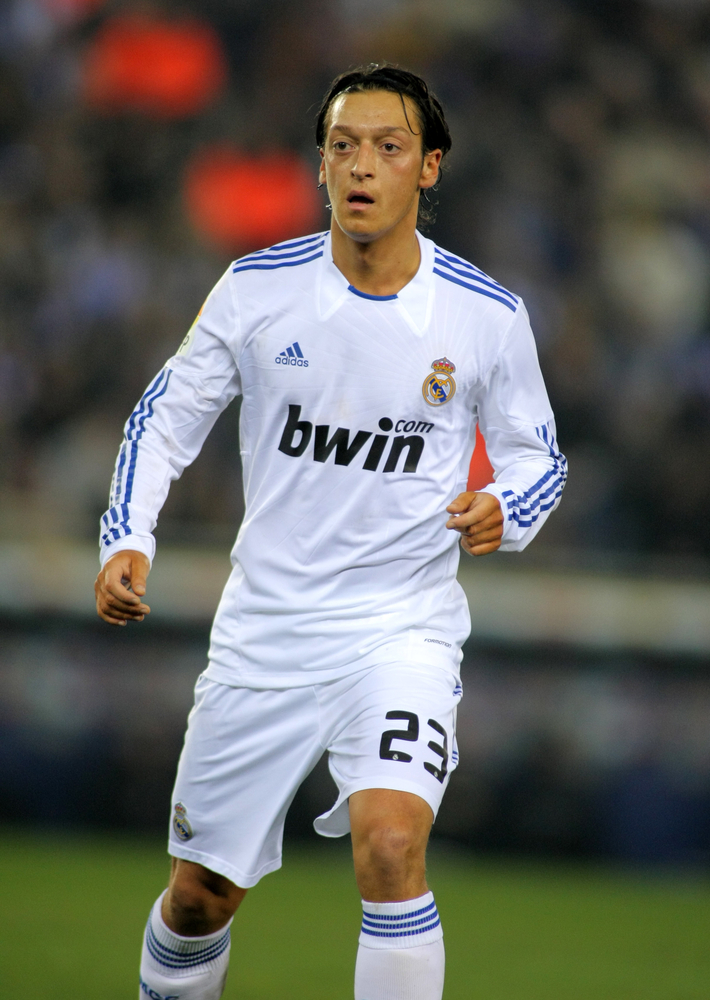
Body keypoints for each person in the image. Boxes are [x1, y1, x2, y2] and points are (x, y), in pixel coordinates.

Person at [95, 63, 566, 1000]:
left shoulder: (486, 316)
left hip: (402, 630)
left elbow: (539, 457)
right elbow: (165, 415)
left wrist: (505, 510)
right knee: (199, 898)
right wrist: (127, 533)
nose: (361, 166)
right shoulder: (255, 291)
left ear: (427, 169)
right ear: (319, 165)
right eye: (342, 146)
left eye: (387, 148)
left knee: (391, 846)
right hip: (265, 633)